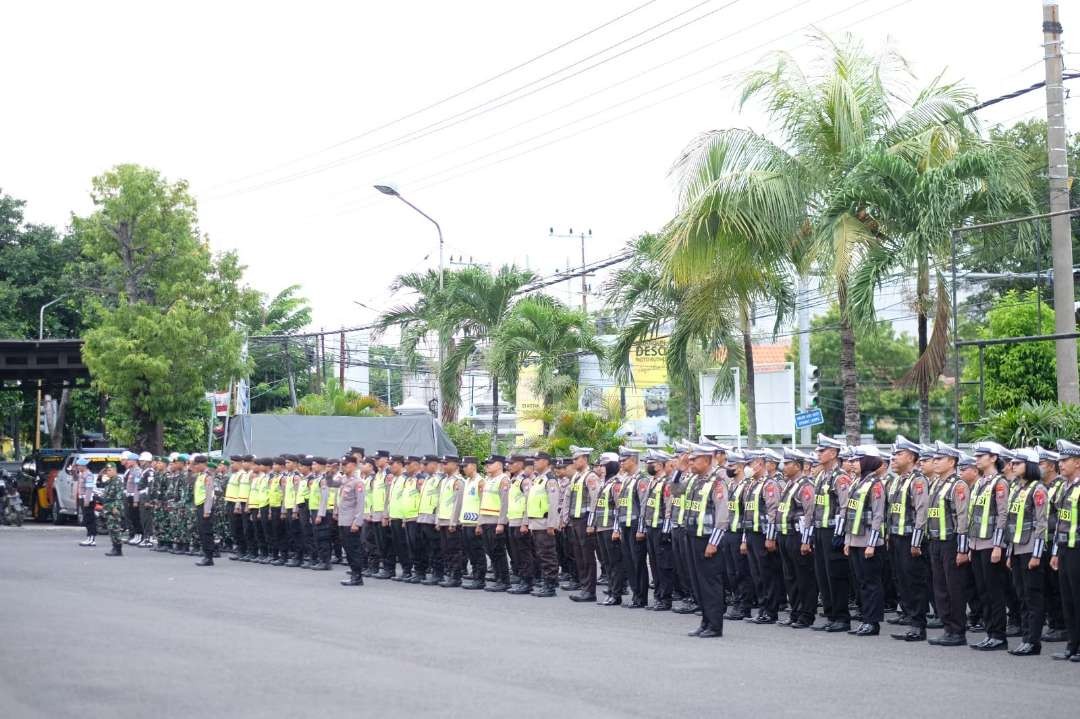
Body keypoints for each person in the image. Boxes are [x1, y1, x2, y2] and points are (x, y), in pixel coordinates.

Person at [886, 435, 932, 642]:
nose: (893, 458)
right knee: (901, 581)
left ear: (912, 457)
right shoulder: (897, 481)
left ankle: (918, 625)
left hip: (910, 538)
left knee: (914, 582)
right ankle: (910, 619)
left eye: (899, 454)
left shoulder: (918, 480)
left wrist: (916, 540)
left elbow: (922, 511)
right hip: (896, 537)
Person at [927, 443, 972, 647]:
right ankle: (947, 628)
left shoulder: (958, 485)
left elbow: (962, 518)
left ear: (952, 462)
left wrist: (962, 549)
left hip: (951, 542)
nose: (935, 462)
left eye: (940, 459)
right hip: (935, 541)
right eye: (934, 459)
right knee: (940, 587)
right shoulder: (936, 484)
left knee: (954, 588)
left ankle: (957, 630)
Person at [1005, 448, 1049, 656]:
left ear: (1029, 465)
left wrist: (1037, 555)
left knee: (1033, 597)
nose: (1013, 466)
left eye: (1018, 463)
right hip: (1017, 548)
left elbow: (1042, 523)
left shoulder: (1037, 489)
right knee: (1021, 595)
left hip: (1031, 548)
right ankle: (1025, 638)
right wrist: (1009, 553)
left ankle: (1033, 641)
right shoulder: (1017, 489)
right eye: (1012, 463)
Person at [968, 441, 1012, 651]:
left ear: (993, 458)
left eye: (981, 456)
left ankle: (998, 635)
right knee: (983, 590)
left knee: (994, 591)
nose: (977, 460)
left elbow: (1003, 515)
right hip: (977, 544)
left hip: (991, 545)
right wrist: (970, 545)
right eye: (976, 457)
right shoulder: (979, 483)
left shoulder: (1000, 483)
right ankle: (989, 632)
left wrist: (998, 546)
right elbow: (972, 516)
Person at [808, 434, 854, 632]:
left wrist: (839, 533)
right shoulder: (821, 476)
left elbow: (844, 506)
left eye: (822, 450)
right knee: (822, 575)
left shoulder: (840, 477)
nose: (818, 454)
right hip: (820, 530)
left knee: (835, 575)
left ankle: (842, 617)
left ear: (834, 453)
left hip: (832, 532)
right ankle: (830, 614)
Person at [683, 443, 729, 638]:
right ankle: (705, 621)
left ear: (707, 460)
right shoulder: (694, 480)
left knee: (710, 583)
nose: (691, 462)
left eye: (695, 459)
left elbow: (722, 515)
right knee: (698, 582)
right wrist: (679, 468)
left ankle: (715, 625)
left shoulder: (717, 482)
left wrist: (714, 542)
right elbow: (675, 490)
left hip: (708, 539)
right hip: (692, 536)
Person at [841, 446, 887, 637]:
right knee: (861, 583)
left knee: (871, 583)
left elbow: (878, 515)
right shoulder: (857, 483)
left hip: (869, 541)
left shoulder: (875, 484)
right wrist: (847, 540)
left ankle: (873, 622)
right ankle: (866, 619)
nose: (853, 463)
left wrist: (871, 544)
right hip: (855, 540)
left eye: (857, 460)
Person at [742, 450, 784, 625]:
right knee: (757, 574)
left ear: (760, 464)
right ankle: (762, 608)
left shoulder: (769, 484)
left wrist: (771, 537)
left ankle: (770, 611)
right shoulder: (751, 484)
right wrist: (744, 538)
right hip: (751, 533)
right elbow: (747, 512)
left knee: (767, 574)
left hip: (763, 535)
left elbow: (773, 512)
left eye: (750, 463)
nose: (748, 467)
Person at [777, 448, 817, 628]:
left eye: (787, 464)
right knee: (790, 577)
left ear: (797, 466)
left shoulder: (805, 485)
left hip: (798, 535)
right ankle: (795, 612)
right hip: (786, 534)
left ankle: (806, 615)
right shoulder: (789, 484)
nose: (783, 467)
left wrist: (806, 540)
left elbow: (810, 514)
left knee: (804, 577)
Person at [1049, 439, 1080, 662]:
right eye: (1060, 460)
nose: (1061, 464)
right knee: (1067, 599)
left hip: (1078, 550)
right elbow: (1061, 522)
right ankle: (1072, 644)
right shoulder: (1066, 487)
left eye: (1065, 460)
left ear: (1078, 462)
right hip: (1065, 550)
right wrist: (1055, 553)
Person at [1038, 445, 1069, 643]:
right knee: (1046, 585)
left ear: (1050, 466)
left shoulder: (1060, 485)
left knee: (1057, 586)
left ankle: (1061, 625)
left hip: (1056, 540)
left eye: (1041, 463)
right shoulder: (1042, 486)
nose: (1038, 467)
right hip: (1044, 542)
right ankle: (1054, 622)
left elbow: (1058, 518)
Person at [613, 446, 649, 608]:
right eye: (620, 460)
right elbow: (620, 506)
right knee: (629, 561)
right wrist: (618, 528)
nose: (621, 463)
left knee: (638, 563)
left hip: (635, 526)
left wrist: (641, 529)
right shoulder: (626, 479)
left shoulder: (641, 479)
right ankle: (636, 594)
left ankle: (641, 596)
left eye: (624, 460)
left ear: (633, 460)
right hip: (625, 525)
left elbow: (643, 506)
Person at [564, 446, 600, 603]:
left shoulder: (590, 477)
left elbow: (595, 501)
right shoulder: (575, 477)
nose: (573, 461)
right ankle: (584, 587)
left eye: (576, 458)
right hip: (575, 520)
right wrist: (564, 518)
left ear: (585, 459)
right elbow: (568, 498)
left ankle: (589, 590)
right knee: (578, 555)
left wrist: (591, 523)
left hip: (585, 520)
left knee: (587, 556)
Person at [522, 451, 561, 597]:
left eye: (538, 460)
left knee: (547, 554)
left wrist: (551, 524)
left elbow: (553, 504)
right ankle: (546, 582)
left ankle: (550, 585)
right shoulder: (538, 479)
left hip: (545, 523)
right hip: (536, 522)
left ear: (546, 462)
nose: (535, 462)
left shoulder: (550, 479)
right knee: (541, 554)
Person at [642, 449, 674, 611]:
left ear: (660, 465)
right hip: (651, 527)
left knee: (663, 564)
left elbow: (668, 507)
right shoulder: (652, 481)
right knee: (654, 563)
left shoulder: (667, 483)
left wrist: (666, 531)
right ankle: (658, 596)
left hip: (661, 528)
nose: (648, 466)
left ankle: (665, 598)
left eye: (652, 463)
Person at [592, 453, 624, 606]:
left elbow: (619, 508)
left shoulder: (616, 484)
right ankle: (611, 590)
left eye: (605, 465)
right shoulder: (605, 483)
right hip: (601, 528)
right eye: (601, 466)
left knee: (614, 563)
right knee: (606, 563)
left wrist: (617, 530)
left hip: (611, 528)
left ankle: (616, 594)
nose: (602, 468)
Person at [479, 455, 512, 592]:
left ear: (499, 465)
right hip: (486, 520)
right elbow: (482, 502)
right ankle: (498, 577)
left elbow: (505, 503)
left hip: (495, 521)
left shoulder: (503, 480)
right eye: (486, 464)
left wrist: (501, 523)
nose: (487, 466)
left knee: (498, 551)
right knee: (490, 551)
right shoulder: (487, 480)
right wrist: (480, 522)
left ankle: (504, 580)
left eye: (490, 463)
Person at [436, 456, 466, 588]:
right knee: (445, 549)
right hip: (443, 519)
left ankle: (456, 576)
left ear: (454, 465)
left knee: (454, 550)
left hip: (451, 521)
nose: (443, 465)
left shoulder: (458, 481)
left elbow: (458, 503)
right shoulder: (444, 481)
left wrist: (454, 522)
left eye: (446, 463)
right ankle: (449, 574)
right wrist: (437, 519)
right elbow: (440, 502)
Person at [336, 455, 365, 586]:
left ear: (354, 465)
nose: (343, 467)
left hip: (351, 521)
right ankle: (353, 572)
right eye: (342, 464)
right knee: (347, 548)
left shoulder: (358, 482)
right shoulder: (343, 480)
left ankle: (357, 576)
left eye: (346, 464)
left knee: (354, 549)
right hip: (343, 520)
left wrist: (356, 522)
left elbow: (360, 503)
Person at [416, 455, 444, 585]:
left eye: (425, 464)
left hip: (432, 519)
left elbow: (441, 501)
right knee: (426, 548)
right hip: (423, 517)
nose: (422, 467)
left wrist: (437, 519)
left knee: (435, 548)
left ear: (434, 464)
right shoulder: (428, 479)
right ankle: (431, 572)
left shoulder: (440, 479)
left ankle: (438, 574)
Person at [459, 456, 487, 590]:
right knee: (470, 552)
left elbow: (483, 503)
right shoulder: (467, 481)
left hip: (475, 523)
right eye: (463, 466)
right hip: (465, 522)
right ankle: (475, 574)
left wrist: (480, 523)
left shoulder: (480, 482)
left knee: (478, 552)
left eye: (466, 466)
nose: (463, 468)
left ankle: (480, 578)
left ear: (473, 466)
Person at [191, 455, 215, 567]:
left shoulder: (208, 476)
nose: (195, 467)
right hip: (200, 505)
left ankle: (209, 557)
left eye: (196, 465)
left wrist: (207, 510)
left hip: (205, 507)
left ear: (202, 464)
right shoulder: (200, 475)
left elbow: (210, 495)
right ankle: (205, 554)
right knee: (201, 531)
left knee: (206, 532)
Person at [101, 463, 125, 557]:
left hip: (114, 507)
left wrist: (116, 507)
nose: (108, 472)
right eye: (107, 470)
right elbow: (99, 483)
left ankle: (118, 549)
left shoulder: (117, 481)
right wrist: (101, 474)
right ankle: (114, 547)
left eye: (110, 470)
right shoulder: (110, 481)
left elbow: (119, 496)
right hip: (108, 507)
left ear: (115, 470)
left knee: (115, 528)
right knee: (111, 528)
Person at [76, 458, 97, 547]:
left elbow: (89, 489)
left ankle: (92, 538)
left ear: (83, 466)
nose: (77, 467)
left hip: (87, 499)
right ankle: (89, 537)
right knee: (86, 519)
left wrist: (87, 500)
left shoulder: (88, 475)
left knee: (90, 519)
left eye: (78, 466)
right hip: (82, 498)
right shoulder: (82, 474)